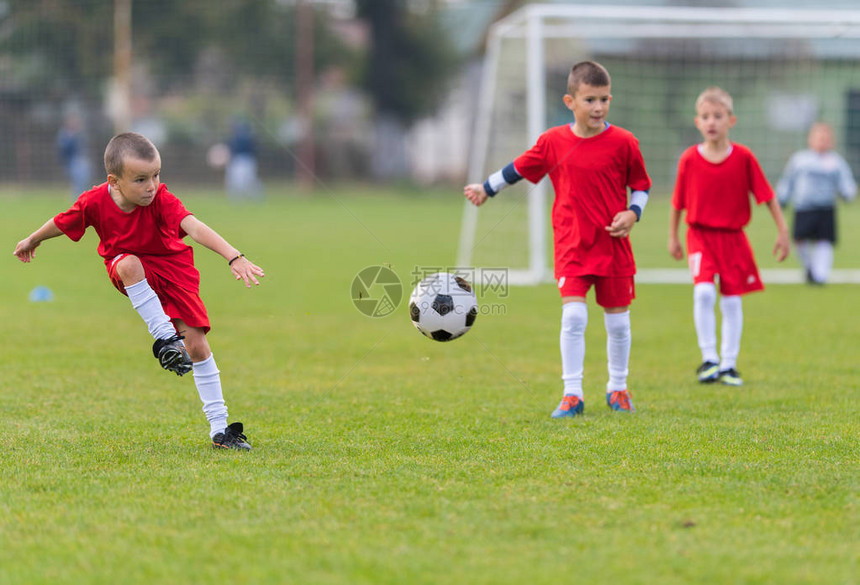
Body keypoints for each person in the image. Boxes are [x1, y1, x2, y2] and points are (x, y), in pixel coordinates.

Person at [14, 132, 265, 450]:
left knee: (199, 346)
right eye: (141, 179)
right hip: (130, 271)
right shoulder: (94, 201)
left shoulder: (162, 199)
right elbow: (62, 221)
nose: (152, 185)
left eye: (157, 175)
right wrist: (32, 239)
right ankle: (165, 337)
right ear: (114, 181)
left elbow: (195, 227)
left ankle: (220, 429)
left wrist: (234, 256)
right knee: (127, 263)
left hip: (174, 272)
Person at [464, 61, 651, 418]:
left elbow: (641, 185)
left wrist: (633, 212)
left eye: (604, 99)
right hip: (572, 245)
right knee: (574, 318)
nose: (598, 107)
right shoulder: (553, 142)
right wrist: (486, 188)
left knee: (618, 323)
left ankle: (618, 388)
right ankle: (572, 394)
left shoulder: (624, 142)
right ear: (570, 101)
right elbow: (518, 168)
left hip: (613, 245)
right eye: (590, 100)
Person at [668, 86, 790, 387]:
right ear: (697, 122)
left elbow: (767, 196)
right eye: (705, 116)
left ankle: (729, 364)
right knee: (704, 292)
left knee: (732, 301)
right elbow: (677, 203)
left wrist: (783, 231)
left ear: (730, 121)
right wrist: (673, 237)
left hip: (734, 239)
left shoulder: (744, 157)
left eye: (718, 116)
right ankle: (709, 358)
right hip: (700, 237)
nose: (712, 122)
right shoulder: (689, 159)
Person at [776, 122, 856, 285]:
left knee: (824, 240)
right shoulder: (800, 160)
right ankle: (809, 267)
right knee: (800, 239)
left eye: (826, 138)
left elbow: (845, 181)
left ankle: (820, 275)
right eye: (818, 137)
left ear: (831, 141)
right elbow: (788, 180)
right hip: (804, 207)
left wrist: (849, 193)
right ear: (810, 139)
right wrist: (782, 197)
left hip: (825, 208)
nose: (822, 141)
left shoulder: (835, 162)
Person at [56, 113, 93, 199]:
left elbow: (85, 145)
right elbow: (63, 149)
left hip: (82, 160)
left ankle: (85, 198)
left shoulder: (80, 133)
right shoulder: (64, 134)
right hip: (72, 161)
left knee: (85, 180)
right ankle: (77, 198)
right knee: (77, 182)